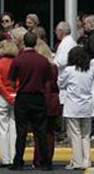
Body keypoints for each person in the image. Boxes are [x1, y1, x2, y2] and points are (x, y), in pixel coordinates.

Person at [8, 31, 52, 171]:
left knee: (21, 131)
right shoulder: (43, 60)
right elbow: (48, 79)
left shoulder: (18, 60)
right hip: (38, 96)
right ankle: (46, 161)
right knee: (41, 130)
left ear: (24, 42)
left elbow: (12, 81)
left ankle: (18, 161)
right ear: (35, 43)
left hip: (23, 96)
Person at [58, 46, 94, 170]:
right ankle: (86, 161)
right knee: (86, 135)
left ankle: (77, 161)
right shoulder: (90, 70)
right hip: (87, 106)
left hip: (73, 107)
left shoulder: (69, 70)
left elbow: (60, 83)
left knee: (75, 135)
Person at [33, 40, 59, 170]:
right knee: (50, 133)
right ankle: (48, 157)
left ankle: (39, 158)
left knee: (39, 133)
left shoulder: (40, 67)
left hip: (42, 101)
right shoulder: (54, 67)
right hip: (53, 102)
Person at [0, 39, 18, 168]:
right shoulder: (17, 63)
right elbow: (19, 80)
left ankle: (5, 158)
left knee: (2, 128)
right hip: (15, 95)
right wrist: (13, 94)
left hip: (0, 96)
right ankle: (14, 157)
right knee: (14, 127)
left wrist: (6, 95)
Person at [54, 21, 77, 109]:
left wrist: (51, 60)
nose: (55, 33)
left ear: (61, 31)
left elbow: (62, 61)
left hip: (65, 80)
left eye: (56, 31)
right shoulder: (68, 41)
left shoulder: (66, 43)